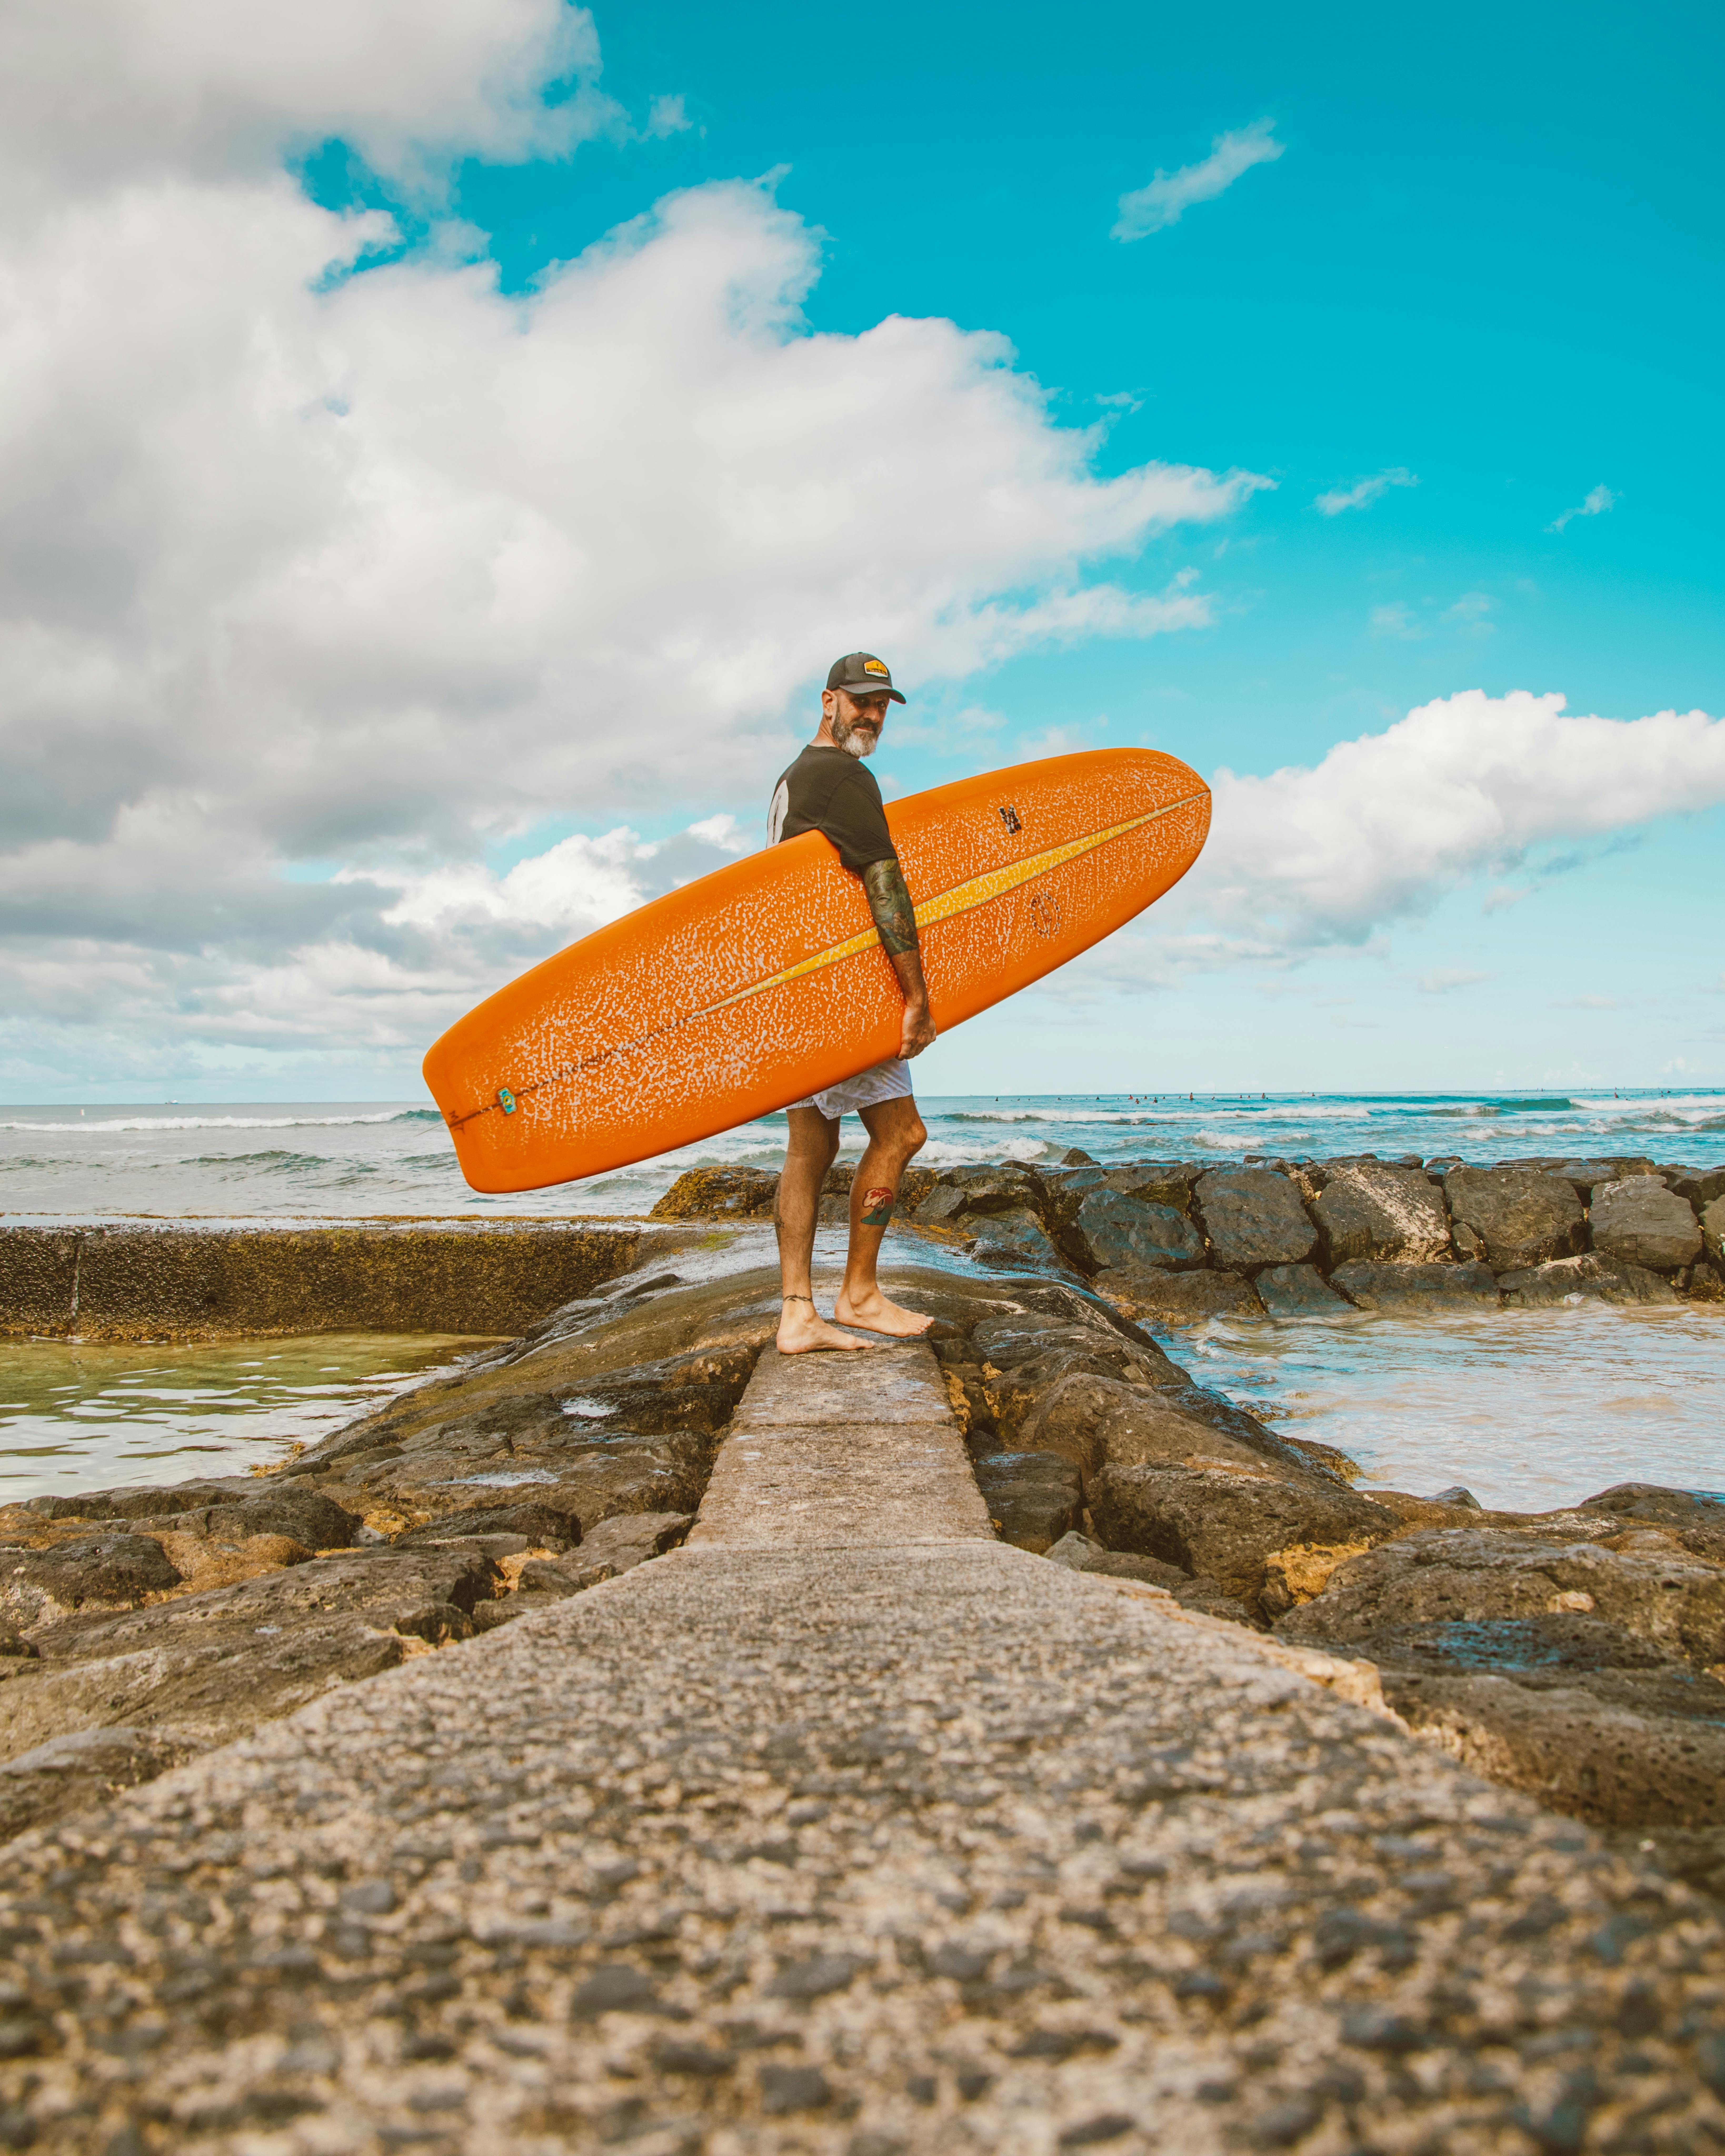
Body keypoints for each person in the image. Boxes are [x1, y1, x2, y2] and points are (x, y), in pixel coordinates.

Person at [767, 652, 937, 1353]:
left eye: (882, 706)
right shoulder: (845, 776)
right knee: (900, 1136)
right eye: (860, 702)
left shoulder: (791, 779)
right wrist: (915, 996)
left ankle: (797, 1313)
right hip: (842, 992)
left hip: (798, 988)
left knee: (809, 1146)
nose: (871, 716)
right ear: (827, 700)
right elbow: (883, 885)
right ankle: (859, 1295)